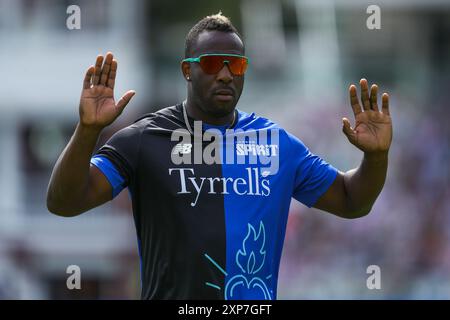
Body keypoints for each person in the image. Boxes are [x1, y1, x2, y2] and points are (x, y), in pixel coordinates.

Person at [46, 12, 392, 300]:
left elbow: (352, 201)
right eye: (212, 64)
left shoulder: (276, 143)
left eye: (236, 65)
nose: (226, 74)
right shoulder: (144, 140)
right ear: (187, 70)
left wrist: (376, 157)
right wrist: (87, 131)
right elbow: (64, 202)